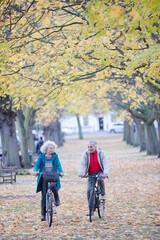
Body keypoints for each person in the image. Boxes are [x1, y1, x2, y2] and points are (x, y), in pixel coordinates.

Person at [34, 140, 64, 221]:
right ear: (46, 148)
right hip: (44, 177)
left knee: (53, 185)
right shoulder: (41, 156)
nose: (51, 150)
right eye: (50, 148)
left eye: (53, 148)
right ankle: (43, 214)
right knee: (44, 196)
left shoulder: (55, 156)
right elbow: (37, 165)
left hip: (53, 176)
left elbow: (58, 165)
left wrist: (61, 172)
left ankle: (56, 197)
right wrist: (35, 171)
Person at [79, 140, 109, 215]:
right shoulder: (86, 153)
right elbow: (82, 163)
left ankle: (103, 194)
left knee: (100, 179)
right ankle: (91, 210)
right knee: (89, 191)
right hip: (90, 173)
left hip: (100, 172)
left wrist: (105, 173)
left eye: (91, 147)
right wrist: (81, 173)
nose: (89, 148)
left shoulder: (101, 153)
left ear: (95, 147)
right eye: (88, 147)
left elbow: (106, 163)